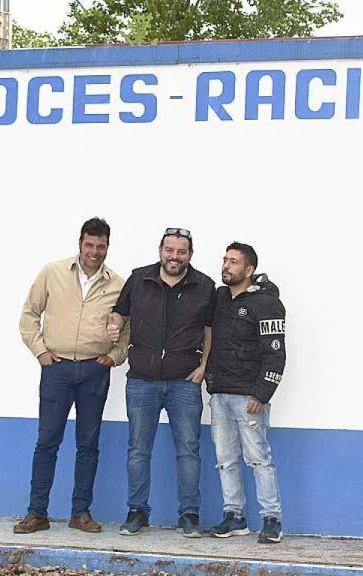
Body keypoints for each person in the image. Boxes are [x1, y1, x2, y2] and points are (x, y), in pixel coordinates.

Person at [13, 217, 130, 535]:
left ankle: (81, 513)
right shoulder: (52, 273)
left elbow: (127, 330)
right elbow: (29, 314)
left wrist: (114, 357)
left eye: (101, 246)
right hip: (57, 369)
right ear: (80, 243)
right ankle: (36, 513)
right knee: (47, 441)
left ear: (108, 246)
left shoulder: (118, 285)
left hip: (95, 371)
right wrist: (41, 352)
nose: (94, 252)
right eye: (89, 245)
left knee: (88, 444)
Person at [107, 227, 216, 537]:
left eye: (181, 252)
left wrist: (204, 366)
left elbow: (210, 330)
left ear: (190, 255)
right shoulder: (139, 279)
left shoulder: (204, 286)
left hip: (184, 382)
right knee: (138, 450)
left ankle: (189, 515)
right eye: (170, 250)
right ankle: (137, 511)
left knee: (189, 451)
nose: (175, 257)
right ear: (160, 251)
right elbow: (119, 313)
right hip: (142, 380)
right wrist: (113, 325)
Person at [203, 242, 287, 544]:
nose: (226, 266)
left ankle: (271, 519)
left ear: (249, 270)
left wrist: (261, 394)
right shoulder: (220, 297)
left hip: (250, 398)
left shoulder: (267, 304)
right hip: (220, 395)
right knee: (225, 459)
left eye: (233, 262)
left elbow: (276, 355)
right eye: (224, 260)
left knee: (259, 459)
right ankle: (235, 517)